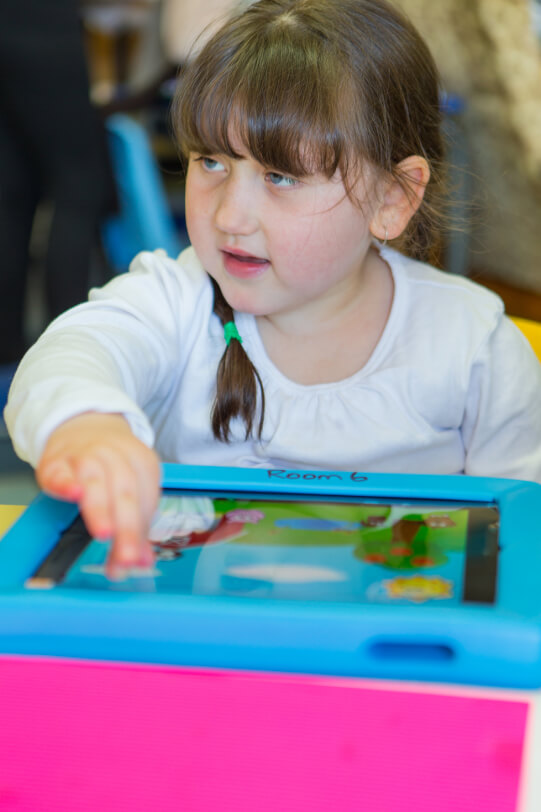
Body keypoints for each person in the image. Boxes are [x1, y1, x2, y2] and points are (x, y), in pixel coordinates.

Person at [5, 0, 541, 577]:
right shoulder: (176, 299)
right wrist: (89, 427)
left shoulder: (473, 344)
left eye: (281, 176)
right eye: (210, 162)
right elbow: (74, 353)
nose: (231, 216)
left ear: (392, 199)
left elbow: (522, 541)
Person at [0, 0, 115, 364]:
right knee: (79, 186)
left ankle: (6, 347)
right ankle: (68, 352)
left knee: (11, 191)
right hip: (42, 22)